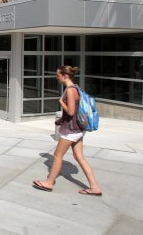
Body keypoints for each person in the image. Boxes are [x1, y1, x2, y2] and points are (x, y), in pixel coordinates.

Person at [32, 66, 102, 196]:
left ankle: (49, 182)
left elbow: (70, 111)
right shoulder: (76, 88)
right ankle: (95, 187)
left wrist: (60, 102)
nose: (56, 77)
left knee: (58, 155)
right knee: (79, 157)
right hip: (78, 129)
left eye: (57, 75)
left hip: (71, 130)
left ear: (65, 76)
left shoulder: (70, 90)